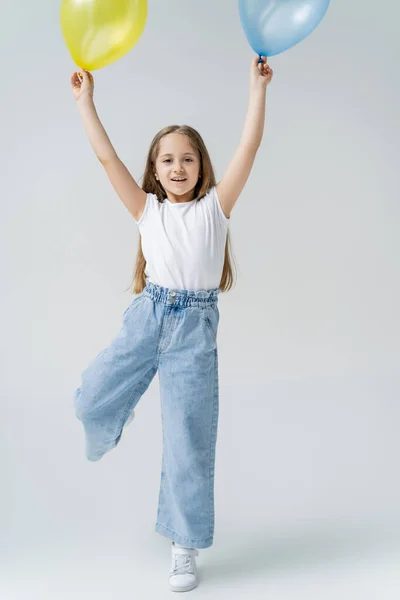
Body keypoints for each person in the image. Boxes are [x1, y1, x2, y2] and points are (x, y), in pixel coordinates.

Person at [71, 55, 273, 593]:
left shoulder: (214, 210)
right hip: (149, 315)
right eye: (167, 160)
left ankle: (184, 548)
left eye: (187, 159)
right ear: (154, 170)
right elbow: (106, 157)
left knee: (188, 441)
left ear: (202, 167)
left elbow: (248, 147)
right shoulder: (147, 211)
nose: (177, 167)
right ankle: (110, 420)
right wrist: (86, 103)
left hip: (194, 333)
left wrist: (257, 89)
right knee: (89, 398)